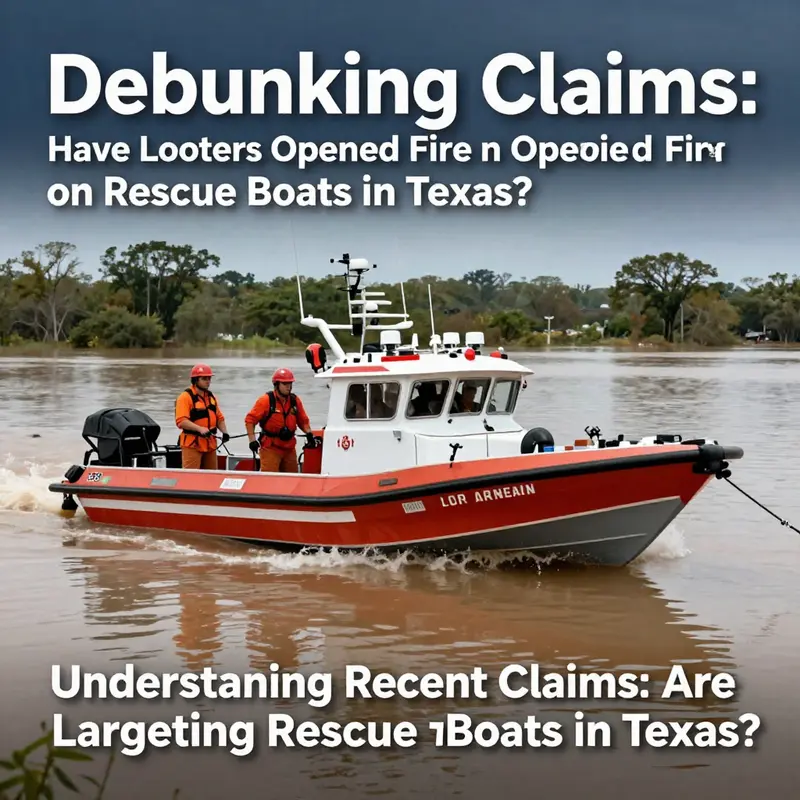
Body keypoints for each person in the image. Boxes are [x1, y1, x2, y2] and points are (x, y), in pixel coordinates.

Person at [245, 368, 315, 473]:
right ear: (276, 385)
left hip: (289, 448)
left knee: (292, 478)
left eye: (290, 383)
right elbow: (250, 420)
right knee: (270, 478)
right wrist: (252, 441)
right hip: (271, 448)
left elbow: (303, 421)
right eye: (285, 384)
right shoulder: (266, 400)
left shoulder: (294, 401)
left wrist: (309, 434)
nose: (288, 387)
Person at [174, 363, 230, 469]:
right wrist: (200, 429)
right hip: (192, 444)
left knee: (212, 475)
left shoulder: (211, 397)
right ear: (195, 380)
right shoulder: (185, 397)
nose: (208, 381)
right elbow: (181, 421)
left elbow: (219, 418)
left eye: (209, 378)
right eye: (204, 379)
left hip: (210, 444)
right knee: (191, 476)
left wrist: (225, 432)